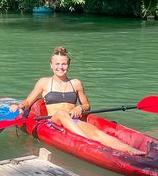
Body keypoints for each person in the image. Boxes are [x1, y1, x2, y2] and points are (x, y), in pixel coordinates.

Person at [10, 46, 145, 155]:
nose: (60, 67)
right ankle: (87, 142)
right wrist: (19, 106)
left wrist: (80, 108)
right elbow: (28, 101)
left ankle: (128, 149)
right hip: (54, 122)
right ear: (51, 65)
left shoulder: (76, 83)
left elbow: (87, 105)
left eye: (64, 64)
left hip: (74, 121)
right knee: (62, 113)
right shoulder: (44, 82)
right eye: (57, 64)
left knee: (97, 134)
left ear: (68, 65)